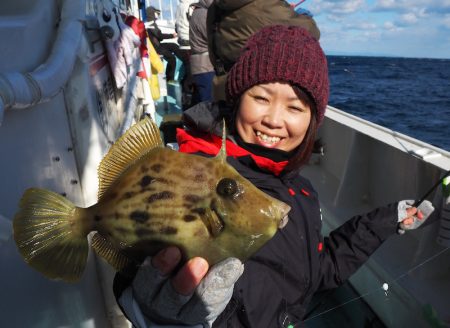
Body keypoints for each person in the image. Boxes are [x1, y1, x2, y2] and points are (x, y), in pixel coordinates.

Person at [114, 26, 435, 327]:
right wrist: (161, 314)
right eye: (261, 98)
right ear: (236, 99)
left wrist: (385, 222)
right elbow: (142, 266)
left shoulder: (301, 191)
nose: (274, 119)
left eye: (295, 107)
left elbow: (319, 270)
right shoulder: (199, 175)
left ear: (313, 119)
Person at [206, 0, 321, 101]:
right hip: (251, 89)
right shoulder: (266, 4)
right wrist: (304, 16)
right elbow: (311, 31)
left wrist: (283, 10)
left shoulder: (215, 7)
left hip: (221, 85)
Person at [145, 6, 184, 84]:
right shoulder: (151, 24)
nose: (157, 15)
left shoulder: (151, 23)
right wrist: (172, 35)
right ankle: (169, 79)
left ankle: (184, 59)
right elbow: (160, 35)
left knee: (174, 46)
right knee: (172, 58)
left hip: (158, 45)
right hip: (156, 48)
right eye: (156, 13)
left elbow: (158, 36)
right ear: (151, 14)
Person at [188, 0, 215, 105]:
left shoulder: (199, 12)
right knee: (208, 104)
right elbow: (211, 36)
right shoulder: (202, 14)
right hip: (204, 65)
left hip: (201, 66)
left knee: (201, 102)